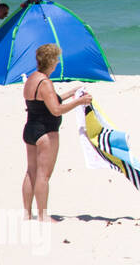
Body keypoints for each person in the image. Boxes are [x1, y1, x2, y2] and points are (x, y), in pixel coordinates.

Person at [22, 43, 94, 222]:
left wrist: (72, 93)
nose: (58, 63)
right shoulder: (45, 82)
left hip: (30, 129)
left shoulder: (33, 78)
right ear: (52, 61)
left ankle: (27, 214)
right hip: (46, 132)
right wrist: (80, 102)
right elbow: (56, 109)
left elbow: (46, 100)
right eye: (57, 60)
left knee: (31, 172)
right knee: (43, 175)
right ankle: (43, 216)